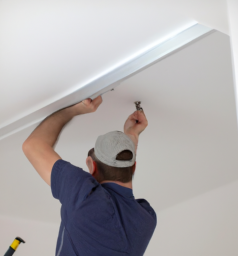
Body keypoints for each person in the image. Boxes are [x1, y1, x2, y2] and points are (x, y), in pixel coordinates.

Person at [22, 95, 157, 256]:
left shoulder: (87, 198)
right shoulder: (145, 219)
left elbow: (33, 146)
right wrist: (130, 138)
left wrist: (74, 110)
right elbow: (32, 146)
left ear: (91, 165)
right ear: (133, 166)